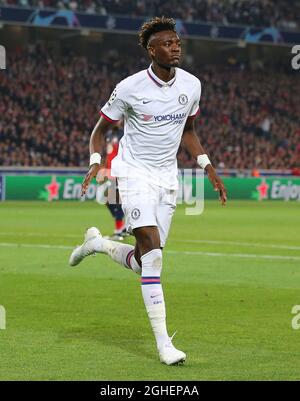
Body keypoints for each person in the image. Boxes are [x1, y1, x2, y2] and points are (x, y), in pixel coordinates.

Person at [69, 16, 227, 365]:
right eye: (167, 43)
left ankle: (98, 244)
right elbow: (99, 129)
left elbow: (188, 131)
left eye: (177, 42)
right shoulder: (129, 88)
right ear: (150, 49)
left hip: (167, 178)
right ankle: (163, 345)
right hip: (133, 173)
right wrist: (96, 160)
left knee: (144, 262)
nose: (175, 47)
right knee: (154, 255)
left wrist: (208, 167)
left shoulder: (192, 85)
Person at [96, 124, 128, 240]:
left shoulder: (124, 133)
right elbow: (107, 154)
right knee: (106, 199)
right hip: (109, 172)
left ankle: (119, 230)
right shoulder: (109, 134)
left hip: (119, 171)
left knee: (116, 200)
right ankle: (122, 226)